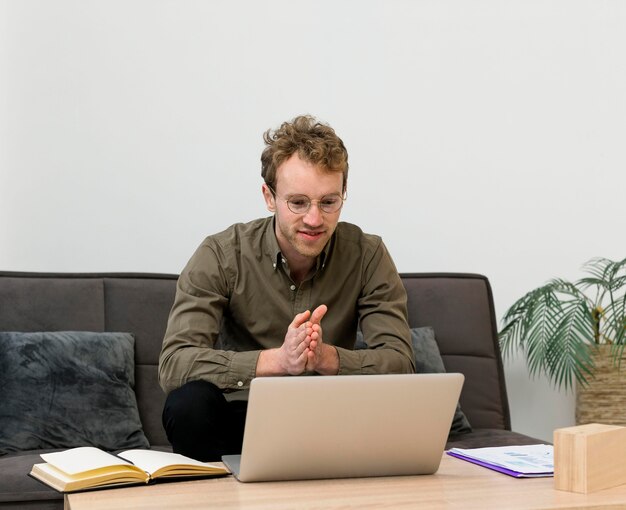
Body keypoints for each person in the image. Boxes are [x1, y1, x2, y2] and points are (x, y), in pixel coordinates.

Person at [158, 115, 415, 461]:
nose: (314, 219)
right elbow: (174, 364)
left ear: (343, 195)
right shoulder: (220, 254)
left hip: (333, 417)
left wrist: (327, 359)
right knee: (187, 404)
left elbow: (400, 362)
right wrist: (278, 361)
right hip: (243, 417)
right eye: (297, 203)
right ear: (269, 197)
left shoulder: (367, 254)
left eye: (328, 202)